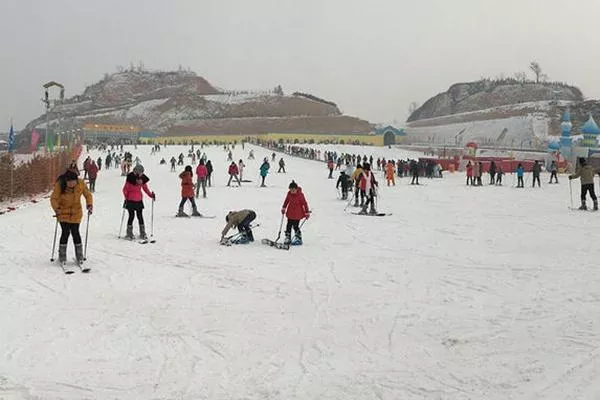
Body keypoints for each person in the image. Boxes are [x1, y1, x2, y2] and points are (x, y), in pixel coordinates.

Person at [50, 170, 93, 264]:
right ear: (65, 181)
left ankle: (79, 256)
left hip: (76, 213)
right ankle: (62, 256)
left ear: (76, 180)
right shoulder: (60, 184)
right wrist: (56, 208)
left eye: (73, 182)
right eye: (69, 182)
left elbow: (88, 194)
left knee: (75, 233)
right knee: (65, 232)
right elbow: (54, 198)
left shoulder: (81, 183)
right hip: (63, 213)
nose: (71, 184)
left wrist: (89, 205)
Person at [123, 165, 155, 240]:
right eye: (141, 172)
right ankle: (129, 233)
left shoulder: (142, 179)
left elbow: (145, 189)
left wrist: (151, 195)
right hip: (130, 200)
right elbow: (125, 189)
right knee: (131, 216)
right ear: (136, 172)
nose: (142, 174)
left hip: (139, 200)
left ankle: (142, 232)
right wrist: (126, 198)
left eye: (142, 172)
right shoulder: (130, 178)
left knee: (140, 216)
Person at [281, 181, 310, 245]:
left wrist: (307, 212)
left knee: (295, 226)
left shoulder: (300, 195)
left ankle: (298, 238)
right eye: (291, 190)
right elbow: (286, 201)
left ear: (296, 189)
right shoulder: (289, 194)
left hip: (298, 213)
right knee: (288, 225)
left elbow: (305, 204)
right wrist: (284, 207)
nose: (292, 191)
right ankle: (288, 237)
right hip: (290, 212)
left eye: (293, 190)